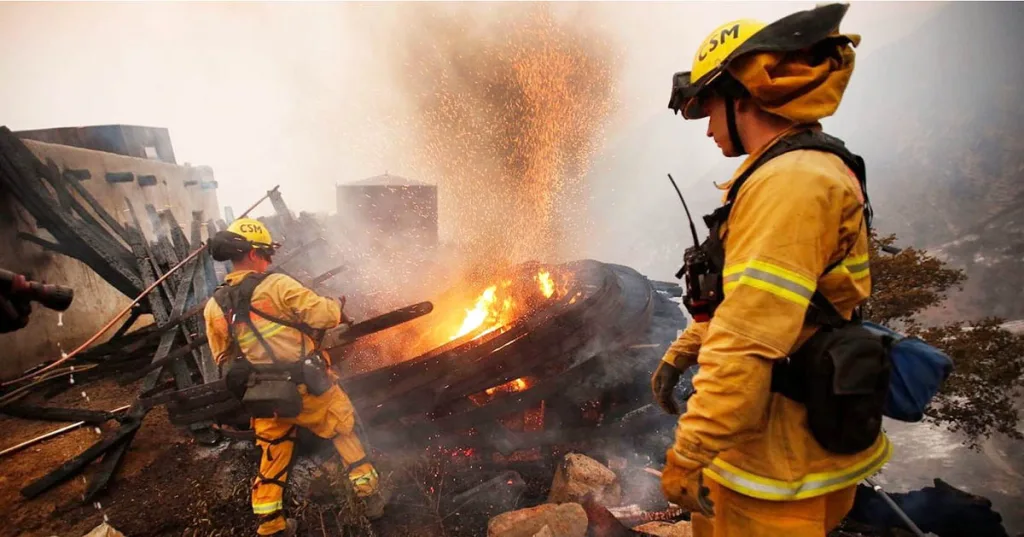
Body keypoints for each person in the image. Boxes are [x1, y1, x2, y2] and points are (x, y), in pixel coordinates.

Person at [651, 4, 892, 536]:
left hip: (782, 463)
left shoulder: (791, 184)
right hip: (776, 441)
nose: (708, 127)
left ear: (743, 95)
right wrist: (681, 353)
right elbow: (764, 302)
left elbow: (749, 337)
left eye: (709, 106)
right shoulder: (788, 172)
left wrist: (689, 452)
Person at [203, 217, 385, 537]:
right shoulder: (277, 286)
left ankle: (271, 525)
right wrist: (337, 308)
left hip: (264, 395)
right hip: (308, 388)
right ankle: (370, 499)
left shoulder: (214, 306)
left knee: (273, 451)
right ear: (254, 253)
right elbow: (324, 315)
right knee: (345, 430)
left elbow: (222, 356)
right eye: (266, 254)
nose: (269, 260)